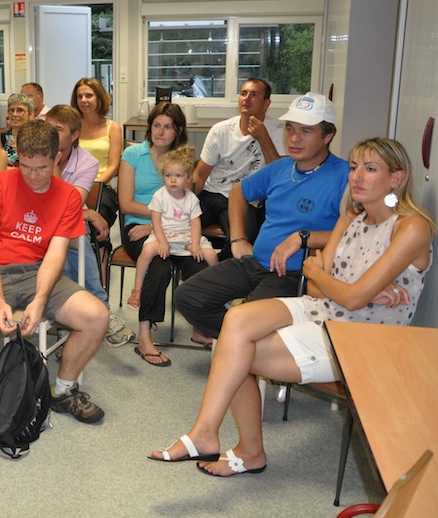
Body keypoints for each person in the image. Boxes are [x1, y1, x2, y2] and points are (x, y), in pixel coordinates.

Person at [149, 137, 433, 477]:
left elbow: (351, 297)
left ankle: (247, 450)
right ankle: (206, 432)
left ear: (396, 178)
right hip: (322, 308)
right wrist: (349, 286)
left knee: (233, 352)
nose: (356, 177)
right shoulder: (352, 217)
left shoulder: (413, 227)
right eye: (354, 167)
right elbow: (315, 283)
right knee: (235, 323)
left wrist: (344, 286)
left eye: (370, 169)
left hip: (360, 338)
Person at [0, 120, 109, 492]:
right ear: (18, 156)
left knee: (96, 316)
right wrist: (0, 300)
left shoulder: (68, 196)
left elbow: (54, 257)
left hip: (35, 273)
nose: (33, 176)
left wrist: (37, 299)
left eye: (43, 167)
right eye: (26, 166)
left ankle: (63, 390)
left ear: (58, 158)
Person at [174, 92, 350, 341]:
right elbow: (238, 192)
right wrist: (237, 238)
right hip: (254, 261)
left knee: (243, 317)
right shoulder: (281, 167)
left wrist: (303, 237)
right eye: (290, 129)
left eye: (306, 131)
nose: (294, 138)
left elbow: (353, 232)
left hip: (290, 274)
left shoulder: (345, 175)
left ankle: (245, 343)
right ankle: (245, 343)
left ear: (328, 135)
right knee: (188, 296)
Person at [119, 102, 209, 365]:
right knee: (157, 267)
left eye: (167, 126)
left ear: (178, 130)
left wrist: (163, 224)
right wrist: (157, 222)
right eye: (156, 125)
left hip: (176, 229)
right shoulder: (133, 155)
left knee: (199, 263)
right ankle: (145, 334)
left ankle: (198, 326)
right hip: (138, 226)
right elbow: (126, 204)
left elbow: (188, 203)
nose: (160, 132)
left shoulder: (182, 160)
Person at [47, 104, 136, 347]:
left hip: (63, 223)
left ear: (74, 134)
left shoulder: (86, 161)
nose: (50, 134)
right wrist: (86, 213)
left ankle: (73, 315)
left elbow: (69, 202)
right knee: (75, 228)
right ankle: (95, 310)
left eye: (58, 129)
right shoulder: (37, 152)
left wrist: (82, 210)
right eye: (48, 127)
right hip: (36, 222)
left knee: (73, 230)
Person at [193, 78, 284, 255]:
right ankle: (196, 272)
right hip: (211, 194)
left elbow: (280, 174)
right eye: (243, 93)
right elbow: (200, 176)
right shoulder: (221, 130)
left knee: (243, 241)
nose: (246, 98)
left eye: (254, 95)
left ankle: (218, 275)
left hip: (245, 198)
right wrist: (182, 203)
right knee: (179, 226)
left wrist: (264, 138)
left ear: (267, 103)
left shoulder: (278, 130)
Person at [128, 145, 218, 309]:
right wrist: (162, 243)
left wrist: (196, 244)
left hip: (186, 237)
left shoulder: (191, 199)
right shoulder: (159, 196)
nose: (173, 180)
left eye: (178, 176)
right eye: (168, 176)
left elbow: (195, 223)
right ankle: (137, 290)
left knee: (211, 255)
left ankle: (219, 289)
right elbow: (156, 223)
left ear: (188, 177)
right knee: (147, 251)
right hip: (164, 235)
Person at [71, 77, 123, 185]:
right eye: (79, 97)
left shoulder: (113, 128)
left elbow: (113, 167)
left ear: (99, 98)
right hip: (73, 184)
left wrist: (93, 187)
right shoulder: (73, 126)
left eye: (89, 96)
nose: (83, 100)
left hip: (100, 187)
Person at [1, 92, 34, 167]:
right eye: (12, 110)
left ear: (31, 115)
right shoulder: (2, 137)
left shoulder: (36, 139)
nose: (15, 114)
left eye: (20, 110)